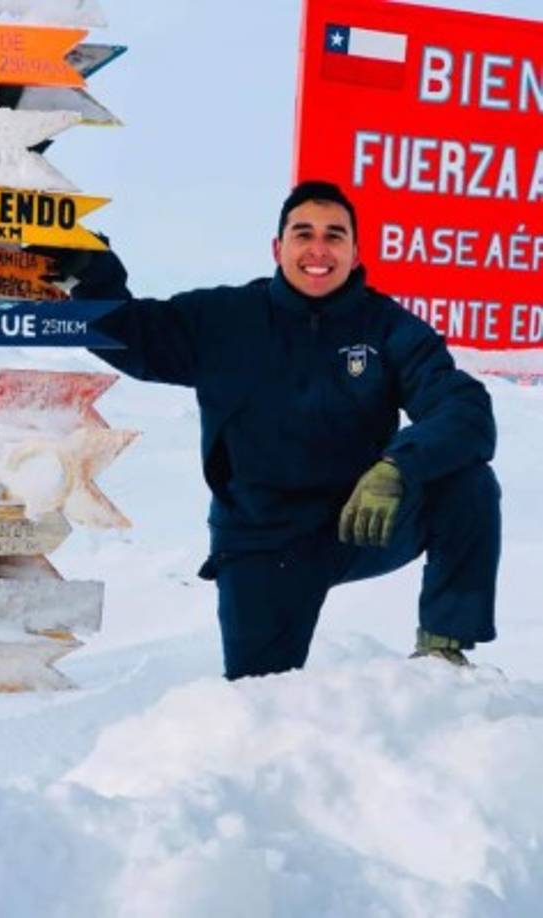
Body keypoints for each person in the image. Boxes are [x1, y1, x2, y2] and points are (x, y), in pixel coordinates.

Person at [63, 180, 500, 679]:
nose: (318, 249)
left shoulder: (388, 328)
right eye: (303, 233)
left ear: (356, 253)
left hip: (360, 521)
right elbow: (131, 335)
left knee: (467, 483)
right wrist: (91, 269)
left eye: (335, 236)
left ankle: (444, 650)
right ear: (278, 248)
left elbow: (463, 408)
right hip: (262, 540)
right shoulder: (225, 319)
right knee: (260, 699)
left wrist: (398, 467)